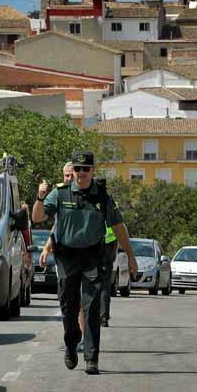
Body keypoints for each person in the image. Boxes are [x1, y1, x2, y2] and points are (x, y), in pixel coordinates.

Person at [32, 151, 137, 375]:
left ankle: (91, 357)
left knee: (91, 307)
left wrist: (130, 254)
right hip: (67, 257)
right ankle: (71, 344)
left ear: (92, 170)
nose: (80, 173)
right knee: (68, 307)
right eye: (77, 169)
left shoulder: (102, 197)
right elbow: (38, 218)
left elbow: (118, 227)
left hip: (92, 256)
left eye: (85, 169)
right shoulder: (59, 194)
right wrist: (40, 198)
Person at [39, 162, 87, 349]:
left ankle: (83, 338)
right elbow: (56, 226)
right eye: (65, 175)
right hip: (64, 256)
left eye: (70, 175)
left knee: (81, 299)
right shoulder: (59, 195)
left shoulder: (82, 195)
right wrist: (46, 248)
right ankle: (73, 336)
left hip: (84, 254)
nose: (68, 178)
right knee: (68, 300)